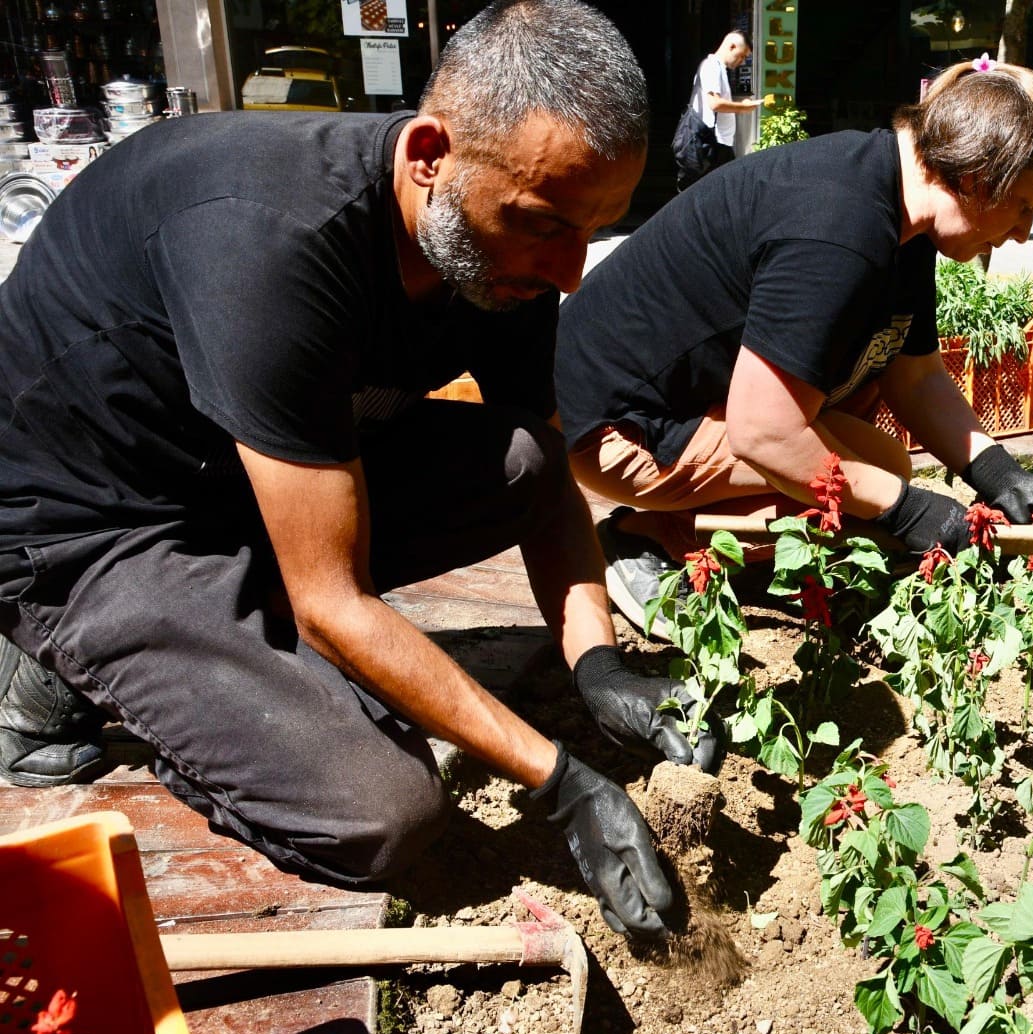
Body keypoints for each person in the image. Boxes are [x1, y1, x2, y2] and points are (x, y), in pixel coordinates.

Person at [0, 0, 703, 939]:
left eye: (595, 227)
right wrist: (559, 781)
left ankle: (224, 640)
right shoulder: (273, 242)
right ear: (428, 155)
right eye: (545, 224)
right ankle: (61, 665)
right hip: (91, 521)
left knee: (523, 459)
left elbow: (544, 476)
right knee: (384, 811)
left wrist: (598, 659)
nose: (572, 270)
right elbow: (330, 598)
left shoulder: (506, 252)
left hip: (245, 475)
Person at [554, 58, 1033, 640]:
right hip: (622, 424)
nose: (1019, 232)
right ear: (980, 176)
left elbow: (917, 380)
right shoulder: (838, 226)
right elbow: (765, 432)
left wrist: (1002, 475)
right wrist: (910, 511)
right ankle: (653, 540)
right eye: (1024, 206)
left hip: (695, 398)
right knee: (875, 484)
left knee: (878, 470)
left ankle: (705, 527)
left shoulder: (901, 209)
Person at [679, 29, 759, 189]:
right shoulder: (711, 66)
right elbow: (714, 103)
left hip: (718, 146)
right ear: (732, 47)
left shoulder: (718, 68)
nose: (742, 61)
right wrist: (743, 108)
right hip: (711, 146)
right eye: (742, 55)